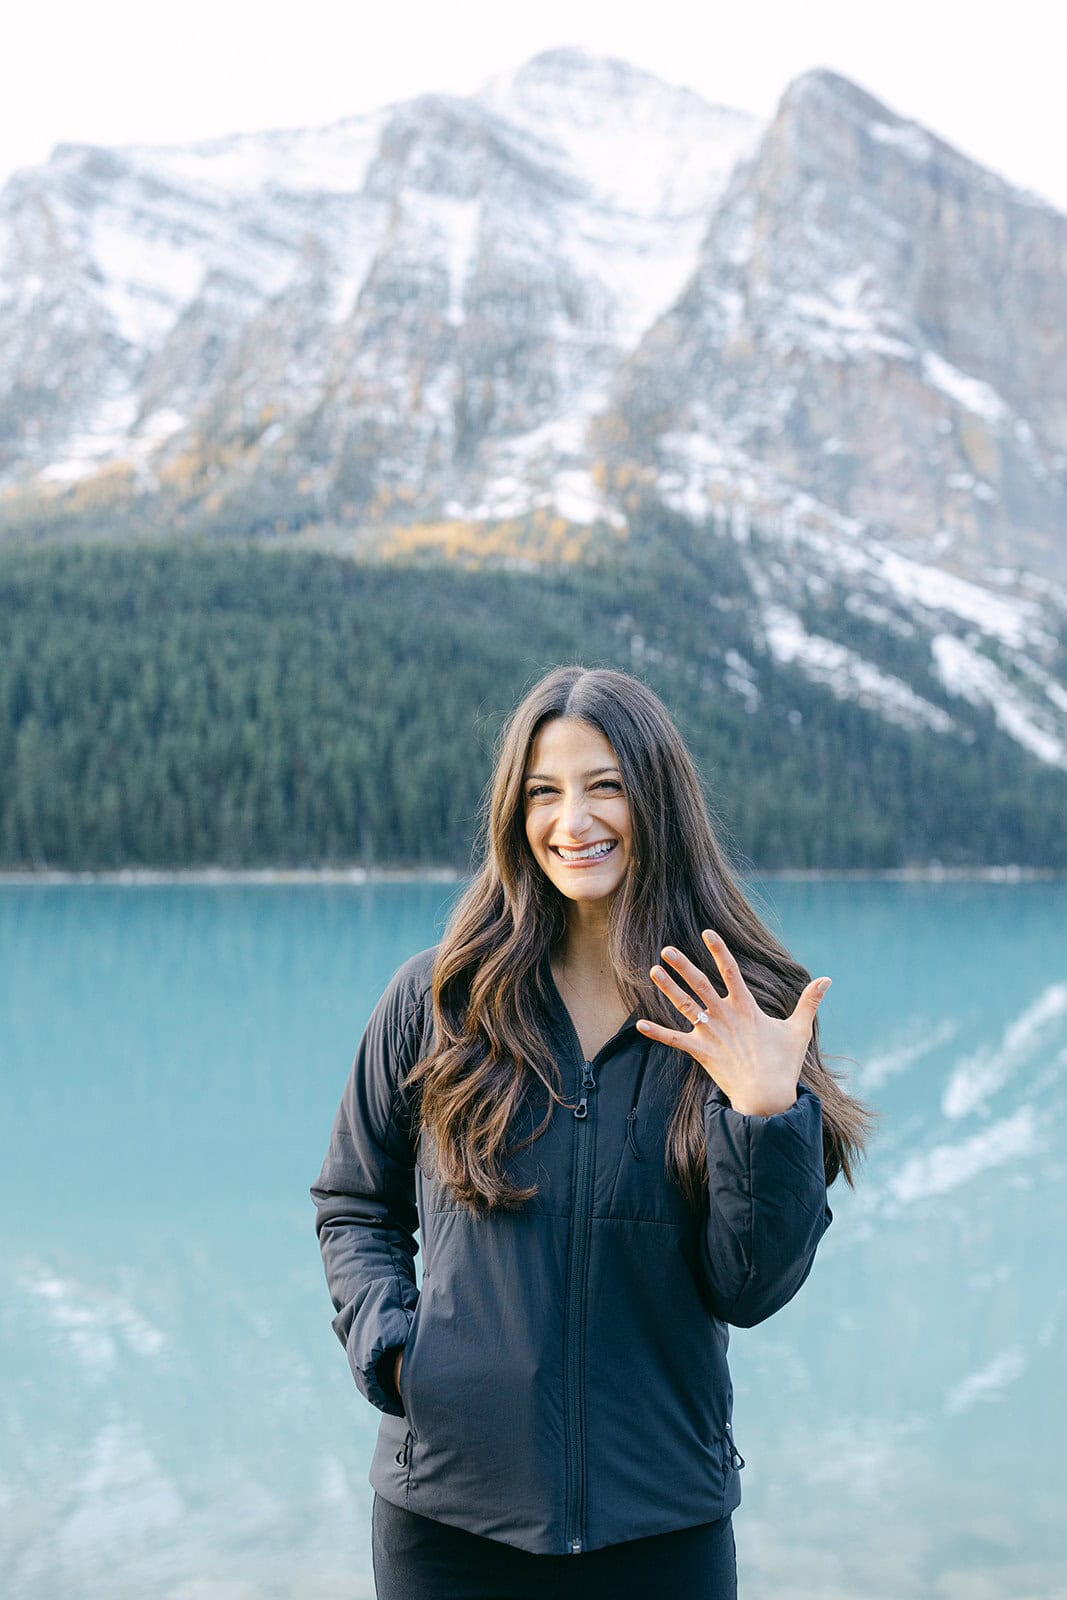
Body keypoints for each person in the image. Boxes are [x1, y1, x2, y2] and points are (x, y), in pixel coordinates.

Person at [310, 664, 873, 1600]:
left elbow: (752, 1288)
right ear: (513, 814)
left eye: (603, 786)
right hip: (446, 1523)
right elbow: (353, 1202)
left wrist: (764, 1115)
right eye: (544, 793)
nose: (572, 822)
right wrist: (398, 1351)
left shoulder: (740, 1014)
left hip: (662, 1526)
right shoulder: (437, 999)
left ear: (657, 797)